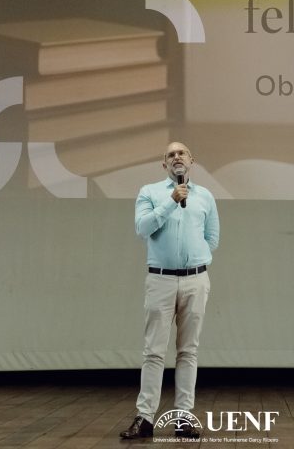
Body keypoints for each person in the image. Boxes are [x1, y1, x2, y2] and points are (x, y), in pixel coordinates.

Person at [119, 141, 220, 440]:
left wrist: (196, 259)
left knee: (188, 351)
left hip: (195, 280)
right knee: (153, 352)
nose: (177, 157)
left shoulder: (205, 196)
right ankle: (145, 418)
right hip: (160, 280)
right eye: (171, 154)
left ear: (191, 161)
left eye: (182, 153)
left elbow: (212, 237)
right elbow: (143, 228)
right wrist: (171, 201)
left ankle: (183, 419)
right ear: (165, 164)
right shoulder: (150, 192)